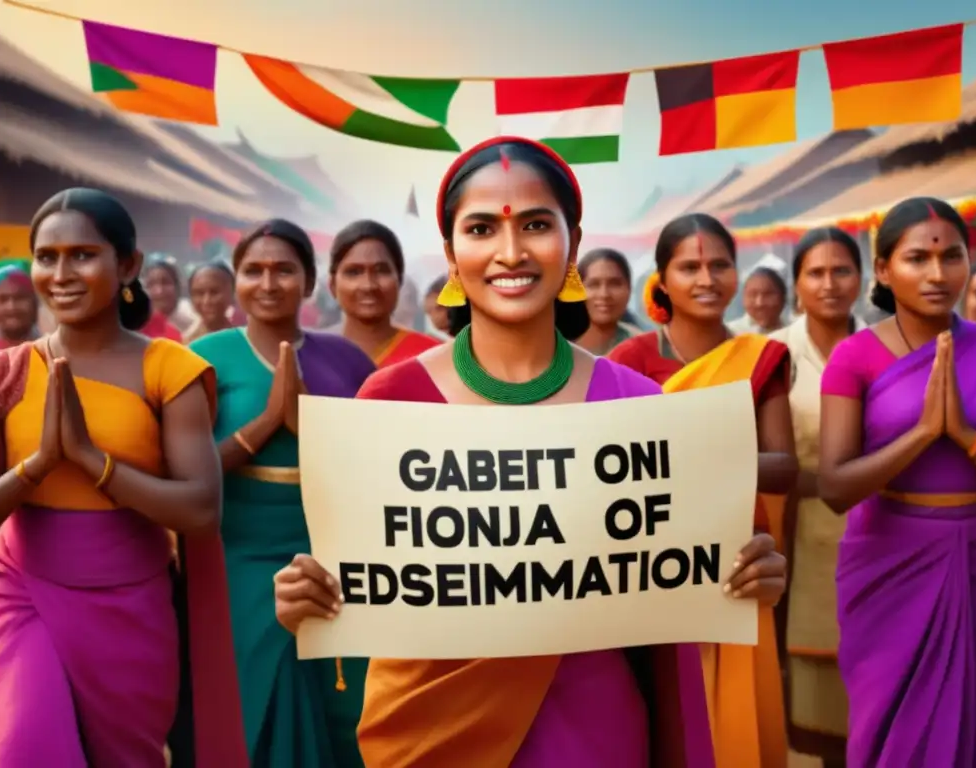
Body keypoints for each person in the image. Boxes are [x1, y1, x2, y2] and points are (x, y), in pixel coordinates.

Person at [272, 136, 787, 767]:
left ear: (570, 240)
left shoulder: (636, 403)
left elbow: (682, 575)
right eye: (482, 228)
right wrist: (308, 593)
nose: (510, 252)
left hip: (595, 730)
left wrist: (745, 573)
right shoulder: (392, 398)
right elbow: (358, 576)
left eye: (537, 226)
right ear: (451, 253)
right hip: (431, 730)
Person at [0, 188, 245, 767]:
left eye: (83, 255)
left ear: (128, 266)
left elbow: (202, 511)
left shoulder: (168, 367)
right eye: (47, 256)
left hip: (131, 605)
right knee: (24, 748)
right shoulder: (7, 374)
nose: (61, 273)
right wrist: (37, 468)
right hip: (21, 594)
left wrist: (92, 461)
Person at [818, 197, 976, 767]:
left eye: (951, 256)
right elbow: (835, 487)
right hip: (889, 561)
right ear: (883, 270)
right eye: (916, 259)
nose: (937, 274)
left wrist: (968, 438)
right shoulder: (853, 358)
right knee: (894, 731)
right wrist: (926, 432)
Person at [608, 212, 797, 768]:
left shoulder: (761, 359)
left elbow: (784, 466)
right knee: (658, 713)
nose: (706, 278)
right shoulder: (630, 361)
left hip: (739, 560)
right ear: (661, 281)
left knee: (732, 725)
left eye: (719, 265)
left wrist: (689, 454)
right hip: (647, 562)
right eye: (688, 267)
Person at [190, 219, 376, 767]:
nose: (268, 283)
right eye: (254, 271)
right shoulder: (202, 357)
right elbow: (189, 476)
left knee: (345, 704)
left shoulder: (348, 362)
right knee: (256, 707)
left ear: (311, 281)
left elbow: (377, 469)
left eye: (284, 270)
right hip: (239, 554)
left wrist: (308, 431)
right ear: (236, 280)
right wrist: (267, 424)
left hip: (334, 552)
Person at [770, 227, 865, 767]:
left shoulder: (889, 347)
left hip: (878, 540)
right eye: (816, 273)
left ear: (862, 279)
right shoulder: (774, 356)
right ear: (797, 284)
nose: (830, 284)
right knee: (805, 715)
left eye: (842, 271)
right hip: (798, 540)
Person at [328, 220, 442, 367]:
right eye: (354, 272)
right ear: (332, 285)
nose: (368, 285)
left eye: (381, 270)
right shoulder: (310, 356)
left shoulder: (432, 357)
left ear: (399, 280)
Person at [575, 248, 639, 354]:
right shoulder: (553, 345)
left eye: (614, 284)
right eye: (593, 284)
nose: (604, 294)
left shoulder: (643, 348)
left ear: (629, 289)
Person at [184, 260, 236, 344]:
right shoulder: (187, 343)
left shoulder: (244, 339)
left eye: (214, 292)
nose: (206, 301)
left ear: (232, 293)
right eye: (199, 293)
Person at [144, 254, 196, 336]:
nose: (159, 291)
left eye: (165, 282)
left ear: (178, 286)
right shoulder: (136, 326)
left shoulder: (195, 320)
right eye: (151, 284)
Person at [729, 267, 788, 334]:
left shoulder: (794, 332)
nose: (759, 303)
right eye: (752, 295)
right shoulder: (731, 333)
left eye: (767, 294)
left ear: (783, 298)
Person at [0, 265, 39, 350]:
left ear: (34, 303)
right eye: (3, 299)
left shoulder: (50, 350)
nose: (11, 307)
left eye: (20, 298)